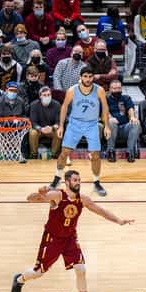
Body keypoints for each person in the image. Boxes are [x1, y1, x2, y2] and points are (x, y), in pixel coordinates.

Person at [11, 171, 134, 292]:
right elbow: (30, 199)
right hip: (52, 238)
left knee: (81, 269)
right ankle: (19, 280)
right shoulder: (57, 196)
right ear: (67, 182)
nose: (78, 183)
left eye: (79, 180)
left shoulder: (83, 199)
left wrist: (119, 220)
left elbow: (101, 211)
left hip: (70, 238)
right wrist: (40, 193)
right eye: (75, 180)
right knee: (38, 272)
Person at [52, 68, 111, 196]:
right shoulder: (72, 90)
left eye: (90, 76)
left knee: (95, 155)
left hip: (92, 124)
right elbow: (64, 107)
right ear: (81, 77)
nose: (88, 79)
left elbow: (105, 109)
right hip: (75, 124)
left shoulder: (99, 90)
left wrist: (106, 126)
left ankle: (96, 183)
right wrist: (61, 126)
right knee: (64, 153)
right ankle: (56, 179)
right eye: (85, 76)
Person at [104, 80, 139, 163]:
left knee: (136, 123)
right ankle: (111, 152)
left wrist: (133, 117)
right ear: (110, 89)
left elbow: (130, 109)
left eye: (119, 88)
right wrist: (110, 117)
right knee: (111, 122)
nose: (117, 90)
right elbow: (105, 112)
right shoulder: (105, 99)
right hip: (111, 128)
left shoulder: (126, 98)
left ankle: (130, 152)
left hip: (124, 128)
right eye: (114, 88)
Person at [29, 86, 63, 159]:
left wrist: (52, 127)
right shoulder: (34, 105)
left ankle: (54, 155)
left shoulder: (57, 105)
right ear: (40, 96)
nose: (47, 97)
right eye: (44, 95)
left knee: (59, 132)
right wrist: (41, 129)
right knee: (32, 132)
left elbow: (58, 121)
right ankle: (34, 154)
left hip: (51, 129)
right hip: (39, 129)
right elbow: (33, 122)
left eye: (49, 95)